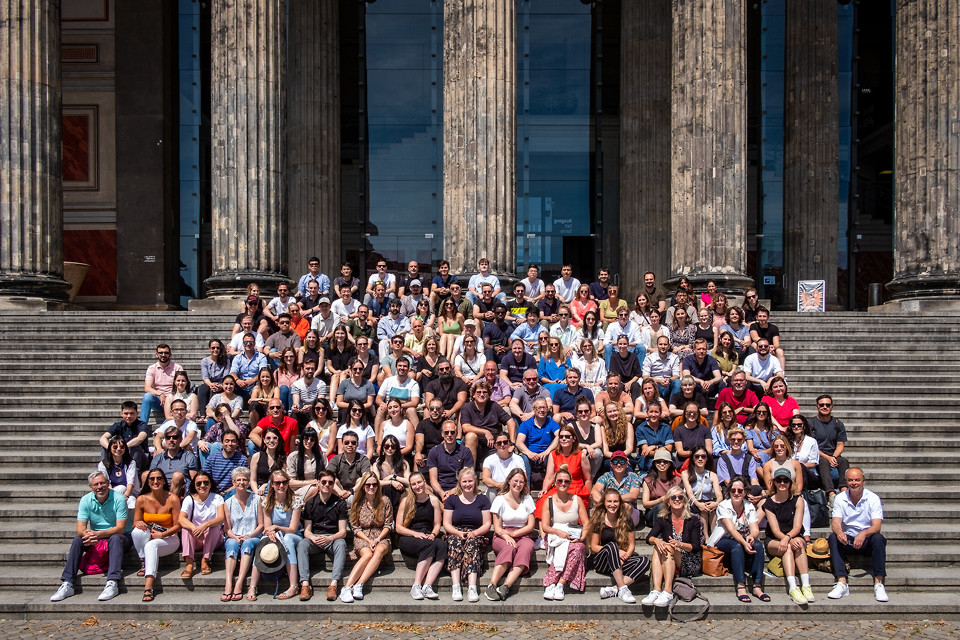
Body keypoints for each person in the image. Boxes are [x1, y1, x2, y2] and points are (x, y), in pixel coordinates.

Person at [50, 471, 133, 603]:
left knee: (116, 538)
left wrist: (98, 534)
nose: (99, 487)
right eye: (96, 484)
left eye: (102, 483)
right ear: (91, 487)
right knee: (78, 539)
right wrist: (88, 535)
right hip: (97, 537)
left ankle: (112, 582)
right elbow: (80, 528)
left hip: (121, 537)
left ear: (108, 483)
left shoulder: (119, 499)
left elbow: (120, 528)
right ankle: (67, 583)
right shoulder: (86, 500)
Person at [827, 467, 888, 602]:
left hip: (866, 539)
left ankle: (879, 583)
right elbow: (835, 522)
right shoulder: (840, 498)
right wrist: (839, 532)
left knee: (879, 539)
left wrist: (863, 533)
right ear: (846, 482)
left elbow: (877, 526)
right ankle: (842, 582)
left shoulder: (872, 498)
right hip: (847, 539)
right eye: (850, 480)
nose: (854, 483)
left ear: (863, 481)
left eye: (857, 480)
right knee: (833, 537)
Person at [644, 486, 704, 607]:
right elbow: (649, 538)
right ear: (668, 502)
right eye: (673, 497)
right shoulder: (663, 519)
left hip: (689, 560)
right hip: (669, 555)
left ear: (684, 501)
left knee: (667, 547)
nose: (677, 499)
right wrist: (657, 540)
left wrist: (680, 544)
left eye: (680, 497)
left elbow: (695, 547)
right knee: (658, 546)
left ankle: (668, 591)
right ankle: (656, 590)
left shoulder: (693, 520)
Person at [339, 471, 394, 602]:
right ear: (363, 486)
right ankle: (346, 588)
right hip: (362, 536)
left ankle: (359, 585)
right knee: (367, 554)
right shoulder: (357, 502)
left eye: (374, 484)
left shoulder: (385, 501)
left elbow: (388, 524)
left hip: (381, 536)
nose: (371, 487)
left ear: (378, 486)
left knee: (379, 551)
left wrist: (377, 539)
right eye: (368, 484)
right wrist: (369, 540)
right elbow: (355, 527)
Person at [587, 488, 649, 603]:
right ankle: (623, 589)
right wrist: (617, 552)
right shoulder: (599, 520)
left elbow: (631, 546)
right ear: (604, 503)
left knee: (644, 561)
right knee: (612, 546)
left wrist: (624, 558)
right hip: (603, 562)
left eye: (615, 501)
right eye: (609, 501)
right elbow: (594, 547)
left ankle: (615, 589)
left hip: (620, 562)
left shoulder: (626, 520)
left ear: (620, 503)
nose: (612, 505)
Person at [295, 470, 348, 602]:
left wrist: (330, 538)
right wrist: (313, 538)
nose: (327, 485)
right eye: (323, 482)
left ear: (333, 484)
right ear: (318, 483)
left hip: (332, 538)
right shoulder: (310, 503)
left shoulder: (340, 504)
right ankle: (305, 585)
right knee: (302, 544)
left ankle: (333, 585)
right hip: (315, 538)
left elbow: (343, 532)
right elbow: (307, 531)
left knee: (341, 544)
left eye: (330, 483)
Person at [712, 476, 767, 603]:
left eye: (740, 491)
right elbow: (731, 529)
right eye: (733, 490)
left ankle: (757, 585)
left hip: (742, 542)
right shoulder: (723, 506)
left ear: (745, 492)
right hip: (723, 542)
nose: (736, 493)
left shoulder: (749, 506)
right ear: (729, 491)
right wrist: (744, 542)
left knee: (758, 545)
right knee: (736, 546)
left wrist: (751, 537)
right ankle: (741, 585)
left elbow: (755, 529)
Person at [251, 469, 303, 600]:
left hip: (293, 535)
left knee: (288, 539)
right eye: (277, 483)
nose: (281, 485)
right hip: (276, 534)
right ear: (272, 485)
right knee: (263, 540)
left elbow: (293, 528)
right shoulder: (266, 502)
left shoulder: (296, 501)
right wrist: (271, 532)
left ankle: (293, 585)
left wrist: (276, 528)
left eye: (284, 482)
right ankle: (252, 586)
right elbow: (268, 527)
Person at [485, 469, 537, 601]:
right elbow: (497, 528)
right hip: (503, 534)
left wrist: (514, 533)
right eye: (515, 481)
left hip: (523, 533)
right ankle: (492, 585)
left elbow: (531, 525)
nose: (518, 484)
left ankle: (506, 586)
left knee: (526, 548)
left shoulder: (527, 499)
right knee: (509, 548)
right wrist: (507, 536)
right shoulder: (499, 499)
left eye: (521, 482)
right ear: (509, 481)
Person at [764, 467, 813, 605]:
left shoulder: (798, 500)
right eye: (779, 480)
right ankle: (793, 587)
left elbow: (797, 526)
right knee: (788, 548)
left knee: (797, 544)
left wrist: (788, 538)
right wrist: (786, 540)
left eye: (785, 480)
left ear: (790, 483)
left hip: (793, 536)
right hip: (775, 539)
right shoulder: (769, 503)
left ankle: (806, 585)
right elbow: (775, 530)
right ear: (774, 482)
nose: (782, 483)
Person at [132, 469, 182, 602]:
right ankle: (144, 561)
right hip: (149, 535)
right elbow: (135, 522)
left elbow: (178, 526)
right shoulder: (141, 499)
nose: (156, 481)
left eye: (159, 478)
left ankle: (148, 586)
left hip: (170, 538)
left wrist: (163, 534)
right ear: (147, 482)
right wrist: (139, 523)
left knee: (151, 545)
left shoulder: (172, 498)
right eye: (152, 479)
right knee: (137, 531)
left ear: (164, 481)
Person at [540, 465, 589, 601]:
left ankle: (559, 583)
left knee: (578, 548)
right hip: (555, 535)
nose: (563, 483)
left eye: (566, 481)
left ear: (570, 483)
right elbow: (545, 526)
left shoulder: (577, 500)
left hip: (572, 534)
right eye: (560, 481)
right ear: (555, 483)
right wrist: (557, 531)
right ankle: (552, 584)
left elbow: (586, 523)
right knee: (565, 550)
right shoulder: (548, 501)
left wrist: (582, 537)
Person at [396, 471, 447, 600]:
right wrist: (415, 534)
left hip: (427, 534)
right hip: (408, 536)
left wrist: (434, 534)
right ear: (410, 486)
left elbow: (437, 524)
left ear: (425, 482)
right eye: (413, 484)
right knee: (429, 545)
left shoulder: (433, 500)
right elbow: (399, 527)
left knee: (442, 545)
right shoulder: (406, 501)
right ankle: (416, 585)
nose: (417, 486)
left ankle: (427, 586)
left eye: (419, 482)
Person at [443, 468, 491, 602]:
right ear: (459, 482)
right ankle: (456, 585)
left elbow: (487, 523)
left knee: (471, 544)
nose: (467, 484)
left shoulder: (483, 499)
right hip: (456, 532)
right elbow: (446, 523)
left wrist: (474, 533)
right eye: (464, 481)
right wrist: (458, 533)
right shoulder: (452, 499)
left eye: (470, 481)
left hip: (476, 533)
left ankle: (472, 587)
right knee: (455, 542)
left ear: (475, 481)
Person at [222, 467, 263, 601]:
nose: (241, 482)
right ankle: (228, 583)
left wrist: (249, 536)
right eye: (238, 480)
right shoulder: (228, 503)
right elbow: (227, 529)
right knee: (231, 545)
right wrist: (235, 537)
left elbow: (261, 524)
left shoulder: (257, 499)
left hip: (253, 536)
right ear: (233, 483)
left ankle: (239, 583)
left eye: (244, 480)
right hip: (234, 535)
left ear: (248, 482)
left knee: (248, 544)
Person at [178, 470, 225, 578]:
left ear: (210, 484)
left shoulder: (217, 498)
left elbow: (221, 518)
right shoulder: (189, 499)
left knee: (214, 527)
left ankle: (205, 560)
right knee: (186, 529)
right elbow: (181, 519)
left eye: (206, 482)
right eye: (199, 483)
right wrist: (195, 528)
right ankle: (189, 564)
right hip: (196, 537)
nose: (202, 486)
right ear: (194, 486)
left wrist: (205, 525)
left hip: (213, 538)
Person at [537, 424, 591, 515]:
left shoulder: (581, 455)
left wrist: (588, 495)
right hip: (558, 488)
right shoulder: (553, 454)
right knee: (542, 501)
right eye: (561, 437)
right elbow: (549, 477)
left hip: (576, 489)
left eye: (567, 436)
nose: (564, 439)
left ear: (573, 439)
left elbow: (588, 479)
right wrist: (544, 489)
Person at [461, 382, 516, 465]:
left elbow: (510, 421)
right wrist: (485, 432)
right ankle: (470, 470)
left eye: (485, 392)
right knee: (470, 436)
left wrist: (512, 443)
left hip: (493, 445)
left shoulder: (494, 406)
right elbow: (465, 427)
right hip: (476, 446)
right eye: (478, 392)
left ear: (489, 395)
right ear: (473, 395)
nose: (482, 395)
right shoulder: (467, 407)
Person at [811, 394, 850, 503]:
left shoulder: (838, 424)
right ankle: (831, 493)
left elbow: (840, 444)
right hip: (818, 455)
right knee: (823, 461)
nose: (825, 407)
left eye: (827, 405)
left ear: (831, 407)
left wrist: (833, 457)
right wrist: (828, 458)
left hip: (833, 455)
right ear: (817, 407)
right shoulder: (811, 423)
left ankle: (844, 490)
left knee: (843, 461)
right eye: (822, 405)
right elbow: (812, 446)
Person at [516, 398, 561, 484]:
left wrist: (547, 451)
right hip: (530, 456)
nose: (542, 410)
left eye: (544, 408)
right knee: (524, 458)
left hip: (546, 456)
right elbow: (519, 442)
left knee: (552, 456)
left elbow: (560, 436)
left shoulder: (551, 423)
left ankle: (550, 487)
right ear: (533, 409)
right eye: (539, 408)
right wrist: (529, 453)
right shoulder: (526, 424)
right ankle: (526, 489)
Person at [427, 420, 474, 501]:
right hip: (440, 489)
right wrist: (442, 493)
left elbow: (467, 477)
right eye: (446, 432)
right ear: (442, 434)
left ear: (456, 433)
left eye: (452, 432)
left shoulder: (465, 451)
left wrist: (453, 491)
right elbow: (433, 480)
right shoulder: (434, 452)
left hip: (459, 489)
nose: (449, 435)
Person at [100, 401, 150, 475]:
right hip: (121, 455)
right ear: (122, 414)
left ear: (137, 413)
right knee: (104, 447)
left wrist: (123, 447)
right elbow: (103, 438)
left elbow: (140, 438)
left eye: (132, 413)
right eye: (126, 413)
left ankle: (135, 473)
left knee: (135, 447)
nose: (128, 416)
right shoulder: (118, 425)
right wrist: (111, 448)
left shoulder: (142, 425)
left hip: (140, 457)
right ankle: (106, 471)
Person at [148, 423, 199, 496]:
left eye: (175, 437)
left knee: (177, 476)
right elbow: (151, 476)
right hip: (161, 487)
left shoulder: (189, 457)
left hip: (181, 491)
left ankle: (170, 501)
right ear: (165, 440)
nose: (171, 440)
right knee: (145, 474)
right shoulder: (158, 457)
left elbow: (194, 479)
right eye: (168, 437)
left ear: (180, 439)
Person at [682, 445, 723, 535]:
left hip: (708, 505)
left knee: (711, 509)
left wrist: (716, 503)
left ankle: (713, 536)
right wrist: (698, 504)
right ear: (693, 458)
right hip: (693, 503)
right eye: (697, 456)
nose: (700, 459)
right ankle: (706, 537)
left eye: (703, 456)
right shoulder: (686, 474)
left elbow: (719, 495)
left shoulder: (712, 475)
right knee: (704, 510)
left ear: (706, 459)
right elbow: (689, 493)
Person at [141, 344, 183, 425]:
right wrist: (161, 394)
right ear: (156, 354)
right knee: (147, 396)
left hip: (173, 399)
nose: (163, 355)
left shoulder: (177, 368)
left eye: (166, 353)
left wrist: (169, 397)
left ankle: (162, 428)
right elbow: (147, 388)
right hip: (159, 400)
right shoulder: (152, 368)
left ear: (170, 354)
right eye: (161, 353)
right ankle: (143, 426)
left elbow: (181, 386)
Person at [591, 450, 642, 515]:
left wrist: (612, 500)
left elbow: (633, 495)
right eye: (615, 462)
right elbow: (594, 491)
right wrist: (606, 503)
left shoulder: (633, 476)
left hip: (629, 512)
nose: (618, 465)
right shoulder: (606, 476)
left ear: (627, 464)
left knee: (626, 506)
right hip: (609, 510)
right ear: (611, 464)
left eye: (622, 462)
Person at [326, 431, 372, 503]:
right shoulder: (335, 459)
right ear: (342, 444)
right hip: (338, 493)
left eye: (353, 443)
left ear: (357, 444)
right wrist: (340, 492)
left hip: (356, 492)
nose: (350, 445)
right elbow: (328, 476)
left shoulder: (363, 459)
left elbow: (366, 477)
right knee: (333, 480)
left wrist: (351, 491)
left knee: (361, 479)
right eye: (346, 442)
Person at [641, 449, 682, 527]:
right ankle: (658, 532)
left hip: (671, 511)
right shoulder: (648, 480)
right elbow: (645, 504)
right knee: (660, 506)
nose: (662, 464)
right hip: (653, 513)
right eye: (658, 462)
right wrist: (660, 500)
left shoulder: (677, 480)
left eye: (665, 462)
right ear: (654, 464)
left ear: (669, 464)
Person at [375, 356, 420, 427]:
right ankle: (377, 434)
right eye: (400, 366)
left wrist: (399, 406)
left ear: (409, 369)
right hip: (389, 407)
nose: (402, 368)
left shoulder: (413, 384)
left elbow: (414, 402)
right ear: (396, 367)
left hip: (404, 408)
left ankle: (417, 433)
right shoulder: (388, 381)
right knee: (380, 409)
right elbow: (378, 399)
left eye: (405, 366)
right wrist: (383, 404)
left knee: (412, 410)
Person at [202, 430, 249, 495]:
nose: (230, 444)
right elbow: (205, 478)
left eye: (233, 441)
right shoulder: (212, 459)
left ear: (237, 443)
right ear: (222, 443)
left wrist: (225, 493)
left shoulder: (242, 460)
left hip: (233, 493)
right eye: (227, 441)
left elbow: (242, 482)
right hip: (214, 494)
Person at [99, 436, 140, 509]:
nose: (118, 449)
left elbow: (130, 482)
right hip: (110, 494)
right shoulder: (103, 464)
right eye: (115, 447)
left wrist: (125, 496)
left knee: (132, 501)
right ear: (110, 448)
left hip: (127, 494)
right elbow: (106, 483)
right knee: (121, 488)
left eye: (122, 447)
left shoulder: (130, 463)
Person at [480, 433, 526, 500]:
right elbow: (485, 479)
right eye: (499, 443)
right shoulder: (489, 459)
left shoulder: (518, 459)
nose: (502, 445)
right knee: (491, 491)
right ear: (495, 445)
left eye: (505, 442)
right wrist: (499, 485)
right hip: (496, 489)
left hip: (513, 489)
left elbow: (523, 478)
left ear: (509, 443)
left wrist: (508, 487)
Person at [373, 434, 410, 510]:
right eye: (387, 446)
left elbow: (409, 481)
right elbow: (375, 482)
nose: (390, 449)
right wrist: (391, 482)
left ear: (396, 448)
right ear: (383, 448)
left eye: (393, 446)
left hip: (400, 493)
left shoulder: (403, 463)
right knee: (388, 488)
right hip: (383, 493)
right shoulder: (377, 464)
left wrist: (394, 477)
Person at [635, 402, 674, 474]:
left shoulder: (666, 428)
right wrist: (661, 449)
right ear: (647, 413)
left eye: (656, 412)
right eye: (651, 412)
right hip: (647, 462)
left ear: (660, 413)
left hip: (664, 460)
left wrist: (653, 447)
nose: (653, 415)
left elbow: (669, 448)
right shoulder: (641, 428)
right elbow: (646, 451)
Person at [286, 428, 324, 499]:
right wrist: (311, 482)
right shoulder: (293, 457)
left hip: (319, 486)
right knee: (313, 488)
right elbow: (290, 482)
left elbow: (327, 474)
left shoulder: (321, 456)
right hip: (299, 489)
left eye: (312, 440)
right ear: (302, 439)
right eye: (306, 438)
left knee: (335, 482)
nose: (309, 441)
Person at [673, 401, 713, 468]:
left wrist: (698, 456)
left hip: (702, 462)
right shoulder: (678, 431)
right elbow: (680, 452)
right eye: (689, 412)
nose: (692, 414)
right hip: (685, 463)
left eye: (695, 412)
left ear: (698, 414)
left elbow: (709, 451)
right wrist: (697, 454)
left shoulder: (706, 430)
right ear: (685, 413)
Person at [249, 427, 287, 496]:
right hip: (258, 490)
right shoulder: (256, 456)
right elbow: (253, 480)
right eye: (268, 438)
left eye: (275, 438)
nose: (271, 441)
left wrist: (265, 485)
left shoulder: (283, 458)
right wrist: (257, 493)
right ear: (264, 440)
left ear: (278, 440)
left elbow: (283, 479)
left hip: (275, 490)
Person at [291, 358, 327, 431]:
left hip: (315, 411)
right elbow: (296, 401)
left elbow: (320, 402)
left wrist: (311, 407)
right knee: (293, 415)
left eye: (312, 369)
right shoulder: (296, 384)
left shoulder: (321, 384)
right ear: (302, 369)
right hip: (301, 412)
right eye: (307, 368)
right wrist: (295, 407)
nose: (310, 371)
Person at [787, 415, 821, 490]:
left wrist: (797, 465)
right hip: (791, 473)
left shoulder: (811, 441)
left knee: (801, 467)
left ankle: (801, 492)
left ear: (804, 426)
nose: (796, 427)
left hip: (809, 475)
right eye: (793, 425)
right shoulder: (787, 441)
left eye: (799, 425)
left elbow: (813, 463)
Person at [643, 336, 681, 400]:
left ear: (669, 346)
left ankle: (673, 404)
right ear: (657, 345)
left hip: (669, 383)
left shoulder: (674, 358)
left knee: (677, 382)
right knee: (648, 384)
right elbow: (645, 377)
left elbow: (676, 375)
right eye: (660, 344)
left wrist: (669, 380)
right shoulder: (649, 358)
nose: (663, 346)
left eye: (665, 344)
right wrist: (660, 381)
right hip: (655, 384)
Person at [598, 402, 635, 470]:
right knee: (612, 465)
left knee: (627, 465)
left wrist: (621, 457)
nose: (612, 414)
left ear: (619, 411)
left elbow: (629, 448)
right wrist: (616, 457)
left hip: (625, 455)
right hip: (610, 457)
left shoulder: (628, 425)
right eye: (609, 412)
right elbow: (605, 451)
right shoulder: (603, 428)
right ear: (606, 414)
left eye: (614, 411)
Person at [198, 339, 230, 412]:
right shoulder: (205, 361)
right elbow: (205, 377)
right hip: (209, 383)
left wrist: (221, 385)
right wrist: (211, 385)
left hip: (222, 384)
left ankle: (214, 412)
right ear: (209, 349)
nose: (215, 350)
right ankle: (202, 414)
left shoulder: (226, 361)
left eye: (217, 348)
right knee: (202, 389)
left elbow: (226, 376)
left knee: (215, 390)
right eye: (213, 348)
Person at [750, 307, 786, 372]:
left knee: (780, 351)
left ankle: (781, 373)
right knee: (754, 344)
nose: (762, 318)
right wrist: (767, 347)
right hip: (759, 346)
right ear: (756, 317)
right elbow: (755, 338)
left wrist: (770, 348)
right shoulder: (753, 326)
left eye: (764, 316)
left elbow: (776, 344)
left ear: (768, 317)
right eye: (760, 316)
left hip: (770, 347)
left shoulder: (774, 328)